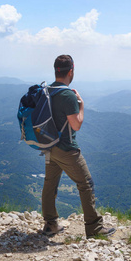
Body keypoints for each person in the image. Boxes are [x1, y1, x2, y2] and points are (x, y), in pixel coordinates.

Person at [41, 54, 115, 238]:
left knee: (50, 184)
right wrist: (81, 105)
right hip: (66, 149)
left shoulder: (46, 91)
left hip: (48, 146)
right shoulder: (67, 94)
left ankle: (50, 225)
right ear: (71, 71)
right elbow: (76, 125)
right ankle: (94, 228)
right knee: (86, 184)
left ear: (55, 70)